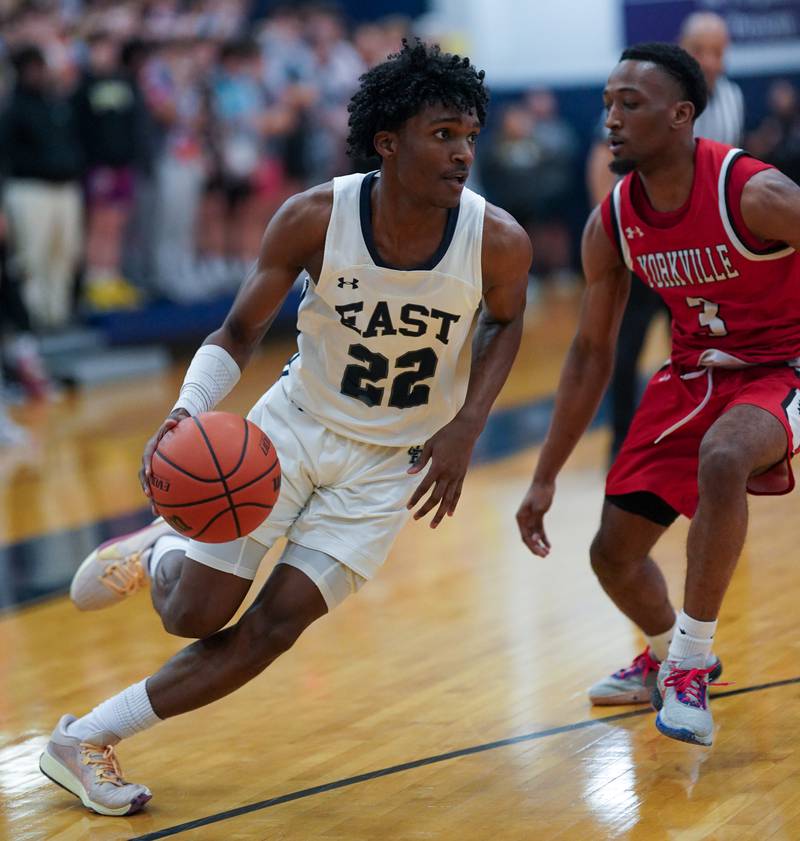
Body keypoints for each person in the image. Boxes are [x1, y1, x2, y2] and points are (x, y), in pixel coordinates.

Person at [40, 40, 531, 816]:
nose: (463, 152)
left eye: (470, 134)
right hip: (290, 431)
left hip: (386, 465)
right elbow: (238, 331)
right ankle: (163, 543)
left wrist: (467, 424)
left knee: (276, 628)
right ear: (388, 140)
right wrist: (185, 414)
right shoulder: (313, 217)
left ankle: (83, 738)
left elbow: (506, 324)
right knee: (193, 616)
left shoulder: (496, 237)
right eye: (443, 134)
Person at [517, 42, 800, 747]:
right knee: (612, 556)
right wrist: (546, 474)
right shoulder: (611, 222)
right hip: (693, 374)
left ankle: (691, 667)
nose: (610, 118)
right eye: (608, 102)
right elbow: (588, 354)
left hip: (783, 364)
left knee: (724, 454)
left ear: (680, 117)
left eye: (629, 105)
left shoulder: (755, 195)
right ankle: (660, 650)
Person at [593, 11, 745, 462]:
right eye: (700, 50)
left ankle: (707, 434)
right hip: (645, 245)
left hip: (704, 254)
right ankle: (620, 441)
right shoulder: (645, 95)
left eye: (718, 51)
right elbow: (600, 160)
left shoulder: (733, 98)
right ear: (682, 47)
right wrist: (614, 236)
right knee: (626, 345)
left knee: (708, 348)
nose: (709, 60)